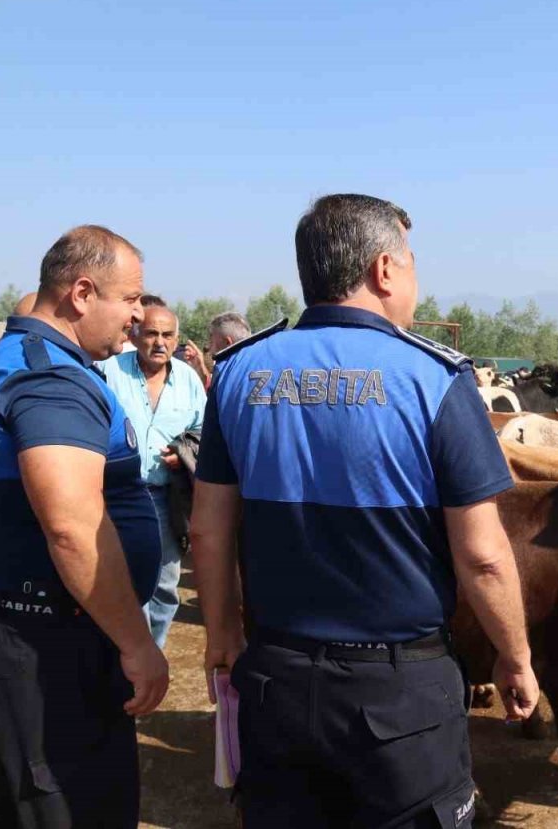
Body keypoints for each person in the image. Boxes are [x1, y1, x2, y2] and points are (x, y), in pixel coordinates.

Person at [191, 194, 539, 827]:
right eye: (411, 263)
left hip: (276, 678)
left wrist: (222, 633)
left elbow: (207, 530)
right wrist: (514, 655)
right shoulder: (434, 378)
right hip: (399, 695)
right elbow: (484, 555)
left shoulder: (239, 374)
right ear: (384, 269)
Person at [0, 225, 167, 827]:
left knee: (29, 800)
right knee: (66, 805)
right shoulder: (49, 379)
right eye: (129, 299)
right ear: (80, 292)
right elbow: (73, 528)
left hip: (39, 627)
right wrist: (136, 643)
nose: (136, 316)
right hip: (47, 639)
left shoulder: (32, 362)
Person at [99, 302, 206, 648]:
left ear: (176, 340)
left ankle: (152, 650)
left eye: (167, 335)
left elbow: (204, 430)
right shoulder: (109, 371)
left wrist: (183, 452)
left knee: (165, 585)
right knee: (127, 580)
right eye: (151, 334)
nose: (160, 342)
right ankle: (134, 659)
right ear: (134, 334)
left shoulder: (188, 379)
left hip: (166, 499)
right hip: (116, 495)